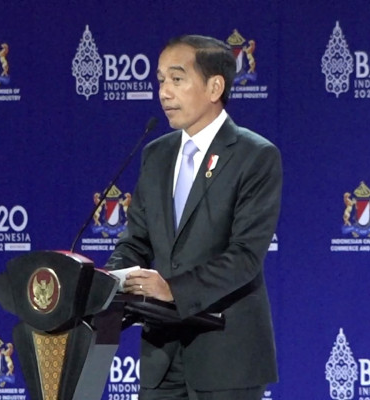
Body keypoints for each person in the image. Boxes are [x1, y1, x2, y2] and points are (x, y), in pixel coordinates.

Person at [105, 34, 282, 400]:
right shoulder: (156, 154)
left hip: (226, 353)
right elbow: (136, 240)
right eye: (160, 80)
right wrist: (112, 280)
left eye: (177, 79)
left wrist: (172, 289)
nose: (164, 92)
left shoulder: (255, 156)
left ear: (215, 87)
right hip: (161, 353)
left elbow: (245, 256)